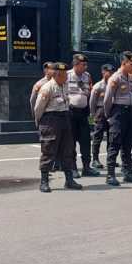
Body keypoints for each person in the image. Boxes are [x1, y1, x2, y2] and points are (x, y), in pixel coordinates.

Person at [34, 62, 81, 193]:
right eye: (65, 74)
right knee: (48, 150)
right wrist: (39, 123)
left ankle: (69, 180)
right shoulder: (47, 88)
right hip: (51, 120)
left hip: (65, 118)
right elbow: (38, 108)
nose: (67, 76)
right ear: (58, 75)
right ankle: (44, 181)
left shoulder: (64, 85)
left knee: (68, 149)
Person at [102, 50, 132, 186]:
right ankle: (110, 175)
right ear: (124, 63)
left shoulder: (130, 77)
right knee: (114, 144)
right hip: (118, 113)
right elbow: (107, 99)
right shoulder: (115, 78)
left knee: (127, 144)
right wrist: (109, 115)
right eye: (131, 64)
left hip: (129, 113)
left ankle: (128, 172)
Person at [66, 53, 99, 177]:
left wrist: (91, 121)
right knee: (71, 142)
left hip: (84, 113)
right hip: (71, 113)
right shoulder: (67, 75)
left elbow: (89, 95)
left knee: (86, 141)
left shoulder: (87, 76)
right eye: (83, 64)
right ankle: (73, 168)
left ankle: (86, 167)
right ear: (75, 64)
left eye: (86, 64)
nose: (86, 67)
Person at [90, 63, 113, 169]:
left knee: (111, 136)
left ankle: (110, 159)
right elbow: (92, 103)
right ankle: (95, 159)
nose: (111, 74)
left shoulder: (114, 84)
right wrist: (92, 117)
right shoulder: (98, 86)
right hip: (100, 112)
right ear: (103, 72)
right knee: (97, 136)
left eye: (112, 72)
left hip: (112, 111)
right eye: (109, 72)